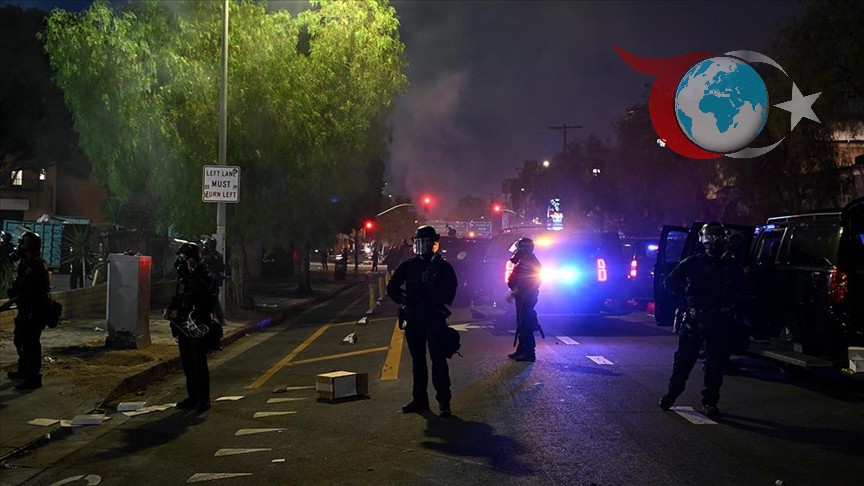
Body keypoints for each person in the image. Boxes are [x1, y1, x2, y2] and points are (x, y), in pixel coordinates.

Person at [658, 223, 746, 419]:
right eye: (711, 238)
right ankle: (672, 394)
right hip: (695, 319)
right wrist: (685, 299)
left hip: (720, 320)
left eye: (718, 238)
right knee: (684, 361)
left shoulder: (731, 267)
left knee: (716, 365)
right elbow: (670, 282)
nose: (715, 243)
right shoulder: (693, 263)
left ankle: (710, 402)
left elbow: (743, 292)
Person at [387, 225, 458, 417]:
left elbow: (452, 291)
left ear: (434, 244)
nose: (424, 248)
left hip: (434, 318)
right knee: (418, 362)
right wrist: (405, 300)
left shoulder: (443, 267)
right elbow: (392, 287)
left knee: (438, 360)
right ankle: (419, 400)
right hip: (415, 317)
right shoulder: (409, 265)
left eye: (428, 243)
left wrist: (436, 299)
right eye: (421, 244)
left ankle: (444, 402)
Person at [162, 242, 216, 413]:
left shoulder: (204, 276)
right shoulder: (183, 276)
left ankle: (203, 400)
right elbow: (179, 296)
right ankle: (192, 397)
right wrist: (170, 308)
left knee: (198, 363)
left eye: (184, 258)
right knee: (187, 363)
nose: (180, 261)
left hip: (198, 325)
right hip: (183, 325)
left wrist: (194, 272)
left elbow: (206, 295)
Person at [2, 231, 51, 390]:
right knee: (20, 339)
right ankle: (23, 370)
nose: (20, 245)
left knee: (31, 344)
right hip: (26, 310)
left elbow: (30, 290)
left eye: (24, 243)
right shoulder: (25, 262)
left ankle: (34, 378)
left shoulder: (36, 264)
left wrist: (9, 303)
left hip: (35, 310)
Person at [506, 237, 542, 362]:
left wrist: (514, 292)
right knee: (521, 324)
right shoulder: (525, 260)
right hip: (522, 296)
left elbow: (525, 281)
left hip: (526, 296)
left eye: (520, 248)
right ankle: (521, 350)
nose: (516, 251)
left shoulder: (529, 261)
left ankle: (529, 353)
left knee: (526, 324)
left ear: (524, 248)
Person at [200, 236, 226, 325]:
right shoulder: (218, 256)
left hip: (208, 283)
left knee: (207, 302)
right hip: (216, 283)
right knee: (214, 301)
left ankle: (208, 320)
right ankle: (218, 319)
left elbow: (200, 269)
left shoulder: (206, 258)